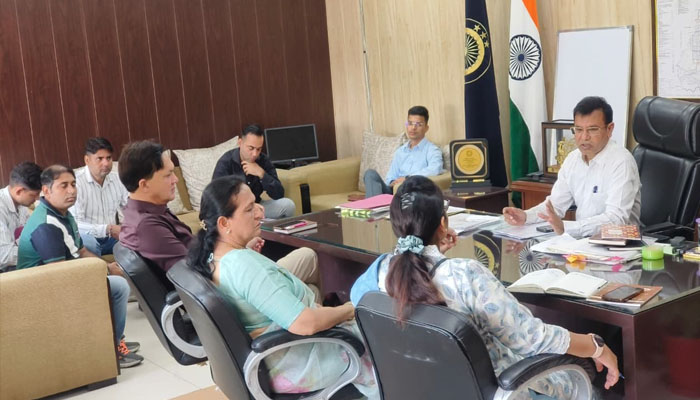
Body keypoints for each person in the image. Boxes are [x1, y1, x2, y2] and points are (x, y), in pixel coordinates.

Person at [352, 176, 620, 399]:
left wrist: (430, 255)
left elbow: (357, 300)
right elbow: (532, 339)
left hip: (422, 390)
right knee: (590, 385)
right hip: (498, 391)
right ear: (443, 223)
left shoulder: (382, 271)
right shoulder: (464, 275)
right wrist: (596, 346)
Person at [187, 176, 377, 398]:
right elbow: (306, 324)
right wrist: (350, 309)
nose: (260, 212)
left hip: (275, 358)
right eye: (249, 209)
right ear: (224, 223)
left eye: (256, 204)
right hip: (297, 363)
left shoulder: (213, 257)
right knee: (382, 337)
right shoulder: (243, 267)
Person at [119, 141, 320, 294]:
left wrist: (235, 248)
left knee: (311, 289)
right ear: (144, 184)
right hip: (228, 290)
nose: (175, 179)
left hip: (222, 276)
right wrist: (236, 255)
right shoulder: (148, 227)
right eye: (168, 174)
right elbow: (194, 276)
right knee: (309, 258)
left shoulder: (144, 213)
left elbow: (195, 257)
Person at [17, 165, 142, 368]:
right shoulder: (46, 224)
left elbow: (82, 251)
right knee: (118, 287)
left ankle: (113, 340)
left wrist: (107, 267)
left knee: (113, 278)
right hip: (39, 292)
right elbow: (59, 272)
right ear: (46, 190)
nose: (72, 190)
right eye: (64, 186)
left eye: (73, 184)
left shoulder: (63, 214)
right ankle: (112, 348)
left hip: (56, 278)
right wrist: (104, 273)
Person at [503, 96, 641, 238]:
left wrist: (567, 228)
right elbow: (555, 206)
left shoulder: (621, 162)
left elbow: (616, 219)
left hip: (619, 244)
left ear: (609, 129)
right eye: (578, 130)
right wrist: (526, 216)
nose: (584, 137)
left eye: (592, 129)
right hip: (583, 241)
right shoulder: (573, 159)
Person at [212, 124, 296, 219]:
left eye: (258, 149)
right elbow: (217, 198)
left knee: (288, 205)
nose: (255, 154)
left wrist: (261, 174)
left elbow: (279, 194)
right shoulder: (226, 162)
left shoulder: (263, 160)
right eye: (251, 148)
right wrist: (245, 206)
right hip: (236, 211)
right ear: (240, 143)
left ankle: (262, 222)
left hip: (257, 206)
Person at [362, 106, 443, 197]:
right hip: (394, 191)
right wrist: (393, 182)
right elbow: (390, 177)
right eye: (410, 123)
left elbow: (435, 169)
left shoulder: (432, 150)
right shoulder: (400, 151)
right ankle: (377, 204)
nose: (413, 128)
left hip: (413, 191)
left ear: (426, 128)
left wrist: (407, 179)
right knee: (370, 174)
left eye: (418, 124)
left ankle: (375, 204)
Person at [70, 137, 129, 256]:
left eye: (109, 158)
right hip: (88, 238)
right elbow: (76, 225)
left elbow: (130, 209)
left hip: (112, 238)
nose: (106, 163)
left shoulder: (117, 179)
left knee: (138, 239)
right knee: (87, 242)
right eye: (100, 159)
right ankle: (103, 267)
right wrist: (107, 229)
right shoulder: (76, 183)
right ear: (87, 160)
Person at [0, 162, 42, 272]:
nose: (37, 199)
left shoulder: (21, 204)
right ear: (19, 191)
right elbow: (3, 255)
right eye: (34, 195)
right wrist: (41, 252)